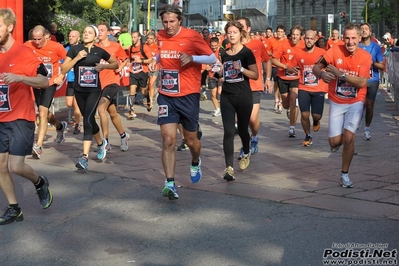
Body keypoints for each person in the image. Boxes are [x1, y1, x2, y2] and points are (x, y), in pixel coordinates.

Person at [148, 4, 216, 200]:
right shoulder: (160, 36)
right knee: (168, 139)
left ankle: (195, 161)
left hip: (188, 94)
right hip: (166, 94)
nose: (168, 26)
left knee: (191, 140)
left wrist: (192, 58)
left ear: (179, 21)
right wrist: (155, 59)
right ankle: (170, 182)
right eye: (165, 22)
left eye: (172, 22)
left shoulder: (192, 36)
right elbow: (162, 52)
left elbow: (211, 58)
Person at [0, 8, 53, 225]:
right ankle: (14, 209)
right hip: (1, 119)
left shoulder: (24, 53)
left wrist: (20, 77)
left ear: (10, 27)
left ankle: (40, 182)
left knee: (16, 167)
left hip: (21, 117)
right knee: (0, 167)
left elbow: (44, 81)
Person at [312, 23, 372, 188]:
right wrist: (322, 74)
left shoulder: (365, 57)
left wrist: (341, 75)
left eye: (354, 38)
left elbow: (362, 82)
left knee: (348, 138)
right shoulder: (334, 50)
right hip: (337, 101)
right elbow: (316, 66)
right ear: (343, 38)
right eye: (347, 38)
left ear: (359, 38)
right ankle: (339, 141)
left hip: (356, 101)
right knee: (334, 142)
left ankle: (344, 174)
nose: (350, 42)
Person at [61, 25, 118, 171]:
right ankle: (100, 144)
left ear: (95, 36)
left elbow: (115, 63)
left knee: (87, 120)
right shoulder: (75, 49)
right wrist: (77, 59)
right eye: (84, 32)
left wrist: (103, 67)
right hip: (79, 90)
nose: (86, 34)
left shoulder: (99, 51)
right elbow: (63, 69)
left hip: (94, 90)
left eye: (89, 32)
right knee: (90, 119)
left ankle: (84, 158)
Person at [219, 21, 258, 181]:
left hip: (243, 96)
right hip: (227, 95)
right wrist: (218, 75)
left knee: (242, 130)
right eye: (229, 32)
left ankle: (247, 151)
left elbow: (255, 75)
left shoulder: (246, 53)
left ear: (240, 33)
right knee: (228, 131)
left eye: (234, 32)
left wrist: (240, 69)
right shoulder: (224, 53)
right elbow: (223, 72)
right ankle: (229, 167)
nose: (232, 35)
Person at [24, 25, 68, 159]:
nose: (37, 42)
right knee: (44, 112)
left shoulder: (55, 47)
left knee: (42, 112)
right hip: (36, 83)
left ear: (46, 36)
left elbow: (68, 58)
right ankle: (60, 126)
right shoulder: (27, 45)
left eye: (39, 39)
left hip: (50, 82)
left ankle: (38, 146)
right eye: (35, 39)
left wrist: (61, 75)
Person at [236, 17, 272, 159]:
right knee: (241, 122)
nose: (239, 28)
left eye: (242, 26)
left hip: (254, 86)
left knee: (252, 119)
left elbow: (267, 60)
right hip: (238, 87)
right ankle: (245, 146)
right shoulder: (232, 45)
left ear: (249, 28)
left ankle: (255, 137)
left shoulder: (257, 44)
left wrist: (268, 79)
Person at [96, 22, 130, 151]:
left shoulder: (115, 46)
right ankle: (123, 135)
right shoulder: (94, 47)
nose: (99, 32)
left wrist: (119, 67)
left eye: (102, 30)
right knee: (112, 112)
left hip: (112, 82)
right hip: (99, 84)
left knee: (101, 110)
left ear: (108, 33)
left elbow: (125, 59)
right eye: (98, 30)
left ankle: (105, 142)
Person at [293, 30, 328, 146]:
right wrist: (291, 69)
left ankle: (316, 121)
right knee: (304, 114)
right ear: (304, 39)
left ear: (315, 40)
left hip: (319, 88)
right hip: (304, 87)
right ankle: (308, 135)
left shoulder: (322, 53)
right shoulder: (298, 53)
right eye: (307, 38)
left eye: (311, 39)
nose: (309, 41)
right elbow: (293, 66)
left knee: (316, 115)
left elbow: (329, 66)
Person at [271, 25, 304, 137]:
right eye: (293, 34)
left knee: (293, 99)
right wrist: (285, 67)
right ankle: (288, 108)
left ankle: (292, 128)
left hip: (296, 78)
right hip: (283, 77)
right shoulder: (284, 44)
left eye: (297, 35)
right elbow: (273, 59)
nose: (294, 37)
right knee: (286, 104)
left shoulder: (304, 45)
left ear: (301, 36)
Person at [358, 23, 384, 141]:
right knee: (359, 104)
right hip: (358, 79)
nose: (364, 31)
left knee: (369, 105)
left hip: (372, 80)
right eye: (362, 29)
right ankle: (356, 121)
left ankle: (367, 128)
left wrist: (372, 63)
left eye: (366, 29)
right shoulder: (356, 46)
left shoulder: (375, 47)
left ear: (370, 32)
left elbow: (382, 66)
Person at [127, 31, 152, 119]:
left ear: (139, 37)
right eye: (132, 37)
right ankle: (131, 110)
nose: (133, 39)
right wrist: (127, 64)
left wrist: (141, 61)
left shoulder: (144, 47)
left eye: (134, 37)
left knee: (143, 91)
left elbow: (150, 60)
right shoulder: (130, 48)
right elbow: (128, 59)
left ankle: (148, 99)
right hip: (133, 72)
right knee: (132, 90)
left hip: (143, 72)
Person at [65, 30, 83, 134]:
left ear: (78, 38)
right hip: (70, 80)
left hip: (79, 81)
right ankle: (80, 113)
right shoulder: (66, 49)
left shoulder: (82, 50)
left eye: (73, 36)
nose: (70, 37)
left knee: (76, 104)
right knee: (69, 103)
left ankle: (77, 124)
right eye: (69, 36)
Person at [270, 25, 288, 113]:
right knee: (276, 83)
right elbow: (268, 52)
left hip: (283, 66)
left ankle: (280, 102)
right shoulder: (272, 41)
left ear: (284, 33)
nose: (280, 33)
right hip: (274, 66)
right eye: (278, 31)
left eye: (281, 32)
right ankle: (276, 99)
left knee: (282, 84)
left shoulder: (286, 42)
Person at [206, 37, 222, 117]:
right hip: (211, 75)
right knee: (213, 93)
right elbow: (203, 61)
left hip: (219, 75)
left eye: (215, 45)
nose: (214, 47)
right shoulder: (208, 52)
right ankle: (217, 109)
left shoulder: (221, 51)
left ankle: (225, 107)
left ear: (218, 44)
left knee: (219, 92)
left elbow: (225, 62)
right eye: (212, 46)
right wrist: (206, 66)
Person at [144, 31, 159, 111]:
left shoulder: (157, 47)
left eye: (151, 39)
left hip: (155, 67)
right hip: (146, 68)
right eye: (148, 38)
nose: (149, 40)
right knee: (147, 85)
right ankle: (148, 97)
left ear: (154, 39)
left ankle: (150, 102)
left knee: (151, 83)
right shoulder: (144, 46)